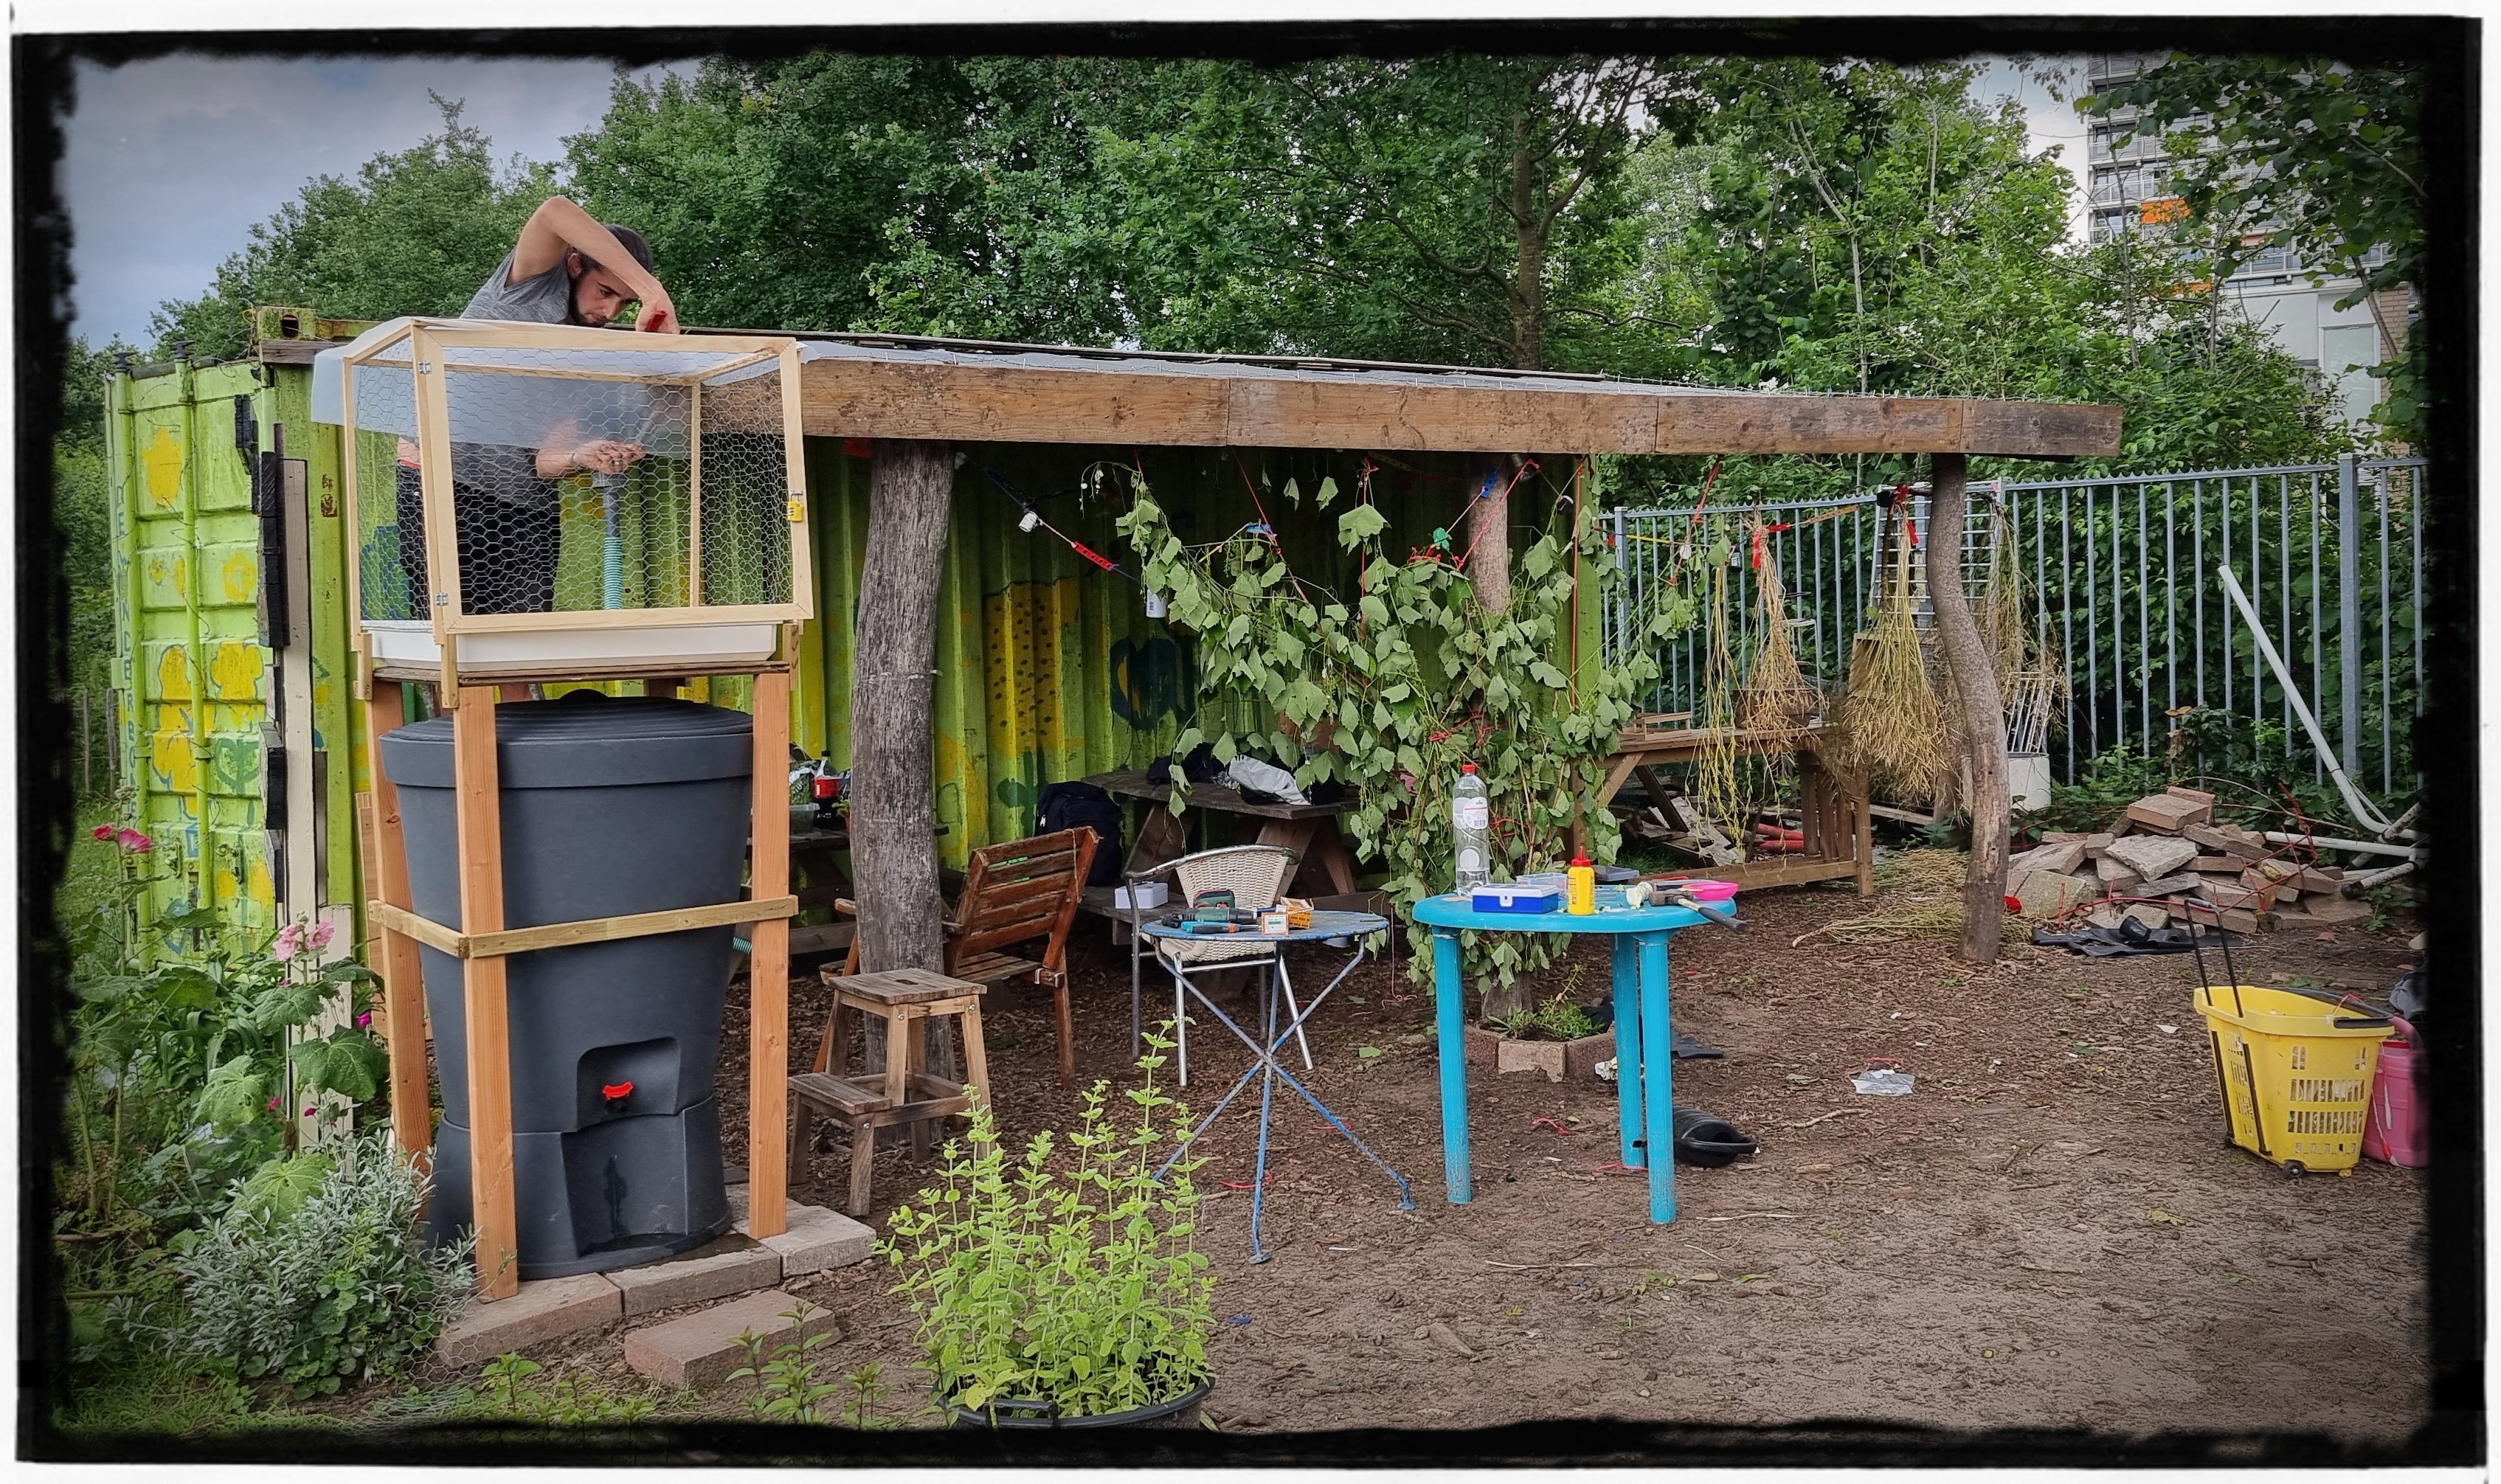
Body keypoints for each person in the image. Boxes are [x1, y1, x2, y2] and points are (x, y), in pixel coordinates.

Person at [398, 198, 679, 614]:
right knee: (453, 636)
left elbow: (545, 461)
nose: (609, 311)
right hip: (442, 483)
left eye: (625, 303)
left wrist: (582, 455)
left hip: (523, 502)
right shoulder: (530, 288)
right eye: (605, 292)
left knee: (526, 637)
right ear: (575, 265)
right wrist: (652, 290)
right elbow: (554, 212)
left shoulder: (588, 352)